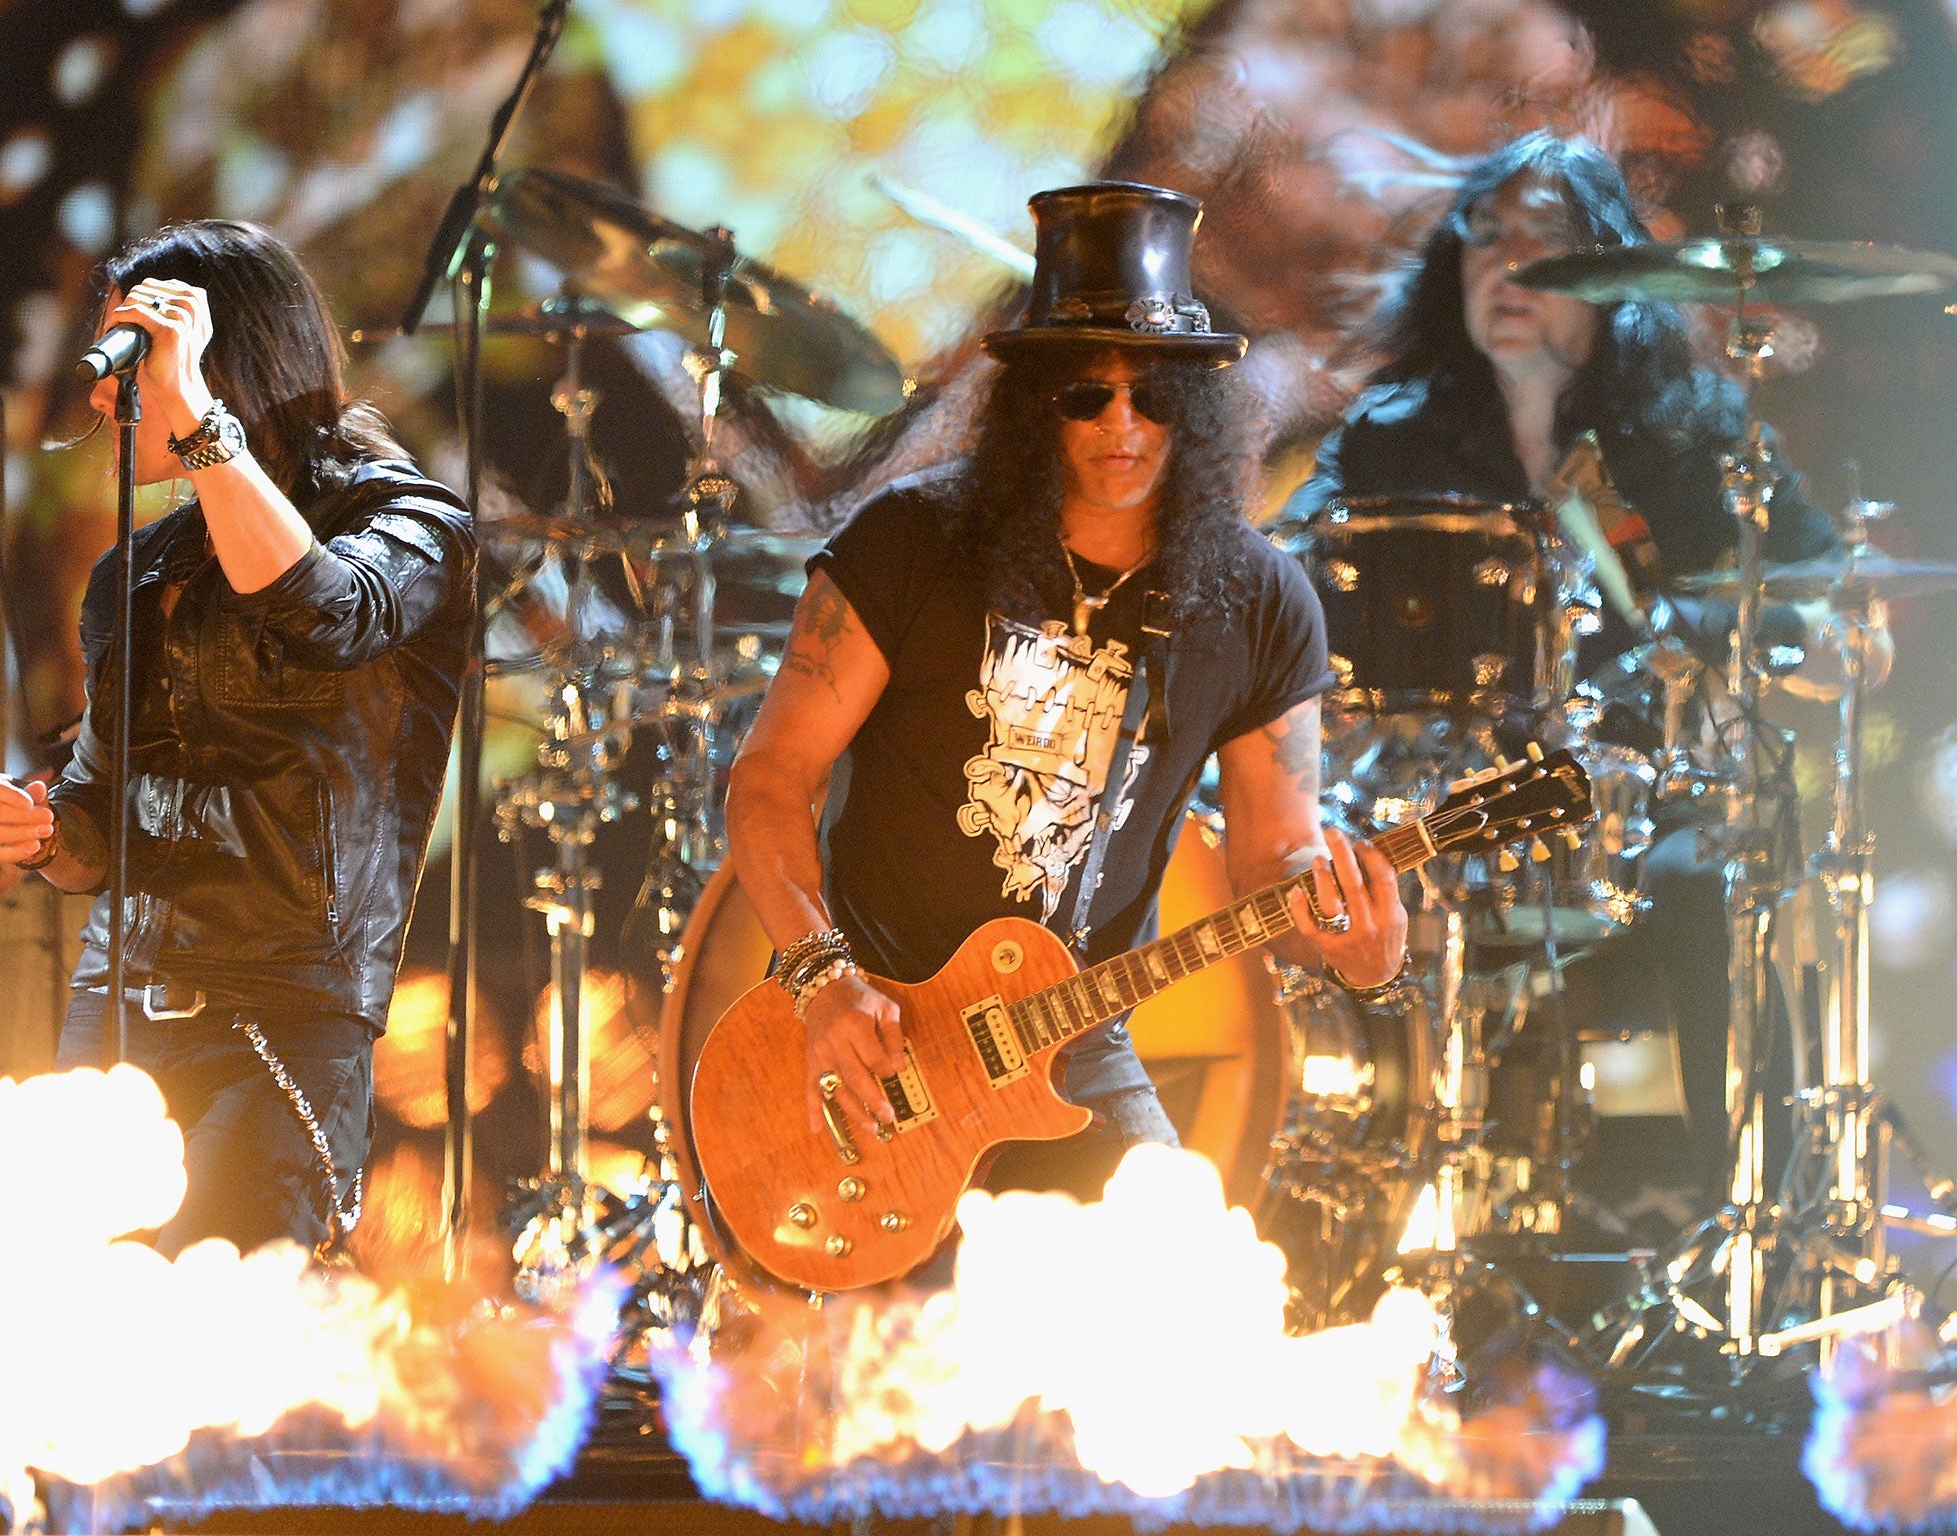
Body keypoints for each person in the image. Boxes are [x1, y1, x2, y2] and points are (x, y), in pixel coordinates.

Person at [725, 183, 1409, 1208]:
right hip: (879, 1044)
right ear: (1032, 405)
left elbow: (1274, 859)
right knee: (874, 1369)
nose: (1121, 423)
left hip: (1074, 1059)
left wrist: (1360, 950)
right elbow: (772, 777)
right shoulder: (907, 544)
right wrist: (822, 981)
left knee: (1180, 1312)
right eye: (1084, 394)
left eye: (1154, 396)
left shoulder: (1262, 601)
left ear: (1199, 413)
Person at [1283, 131, 1889, 1218]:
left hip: (1637, 805)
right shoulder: (1389, 438)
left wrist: (1813, 633)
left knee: (1713, 883)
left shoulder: (1691, 432)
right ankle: (1349, 1213)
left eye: (1545, 241)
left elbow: (1825, 592)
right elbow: (1280, 589)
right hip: (1437, 809)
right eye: (1484, 236)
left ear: (1610, 272)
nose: (1505, 265)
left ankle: (1762, 1219)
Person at [0, 220, 474, 1259]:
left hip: (285, 1011)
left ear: (231, 360)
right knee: (81, 1343)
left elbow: (327, 609)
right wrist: (39, 833)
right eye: (111, 362)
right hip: (120, 1001)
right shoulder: (136, 573)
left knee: (214, 1334)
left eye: (136, 361)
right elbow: (102, 826)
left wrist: (198, 415)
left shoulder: (407, 518)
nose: (107, 398)